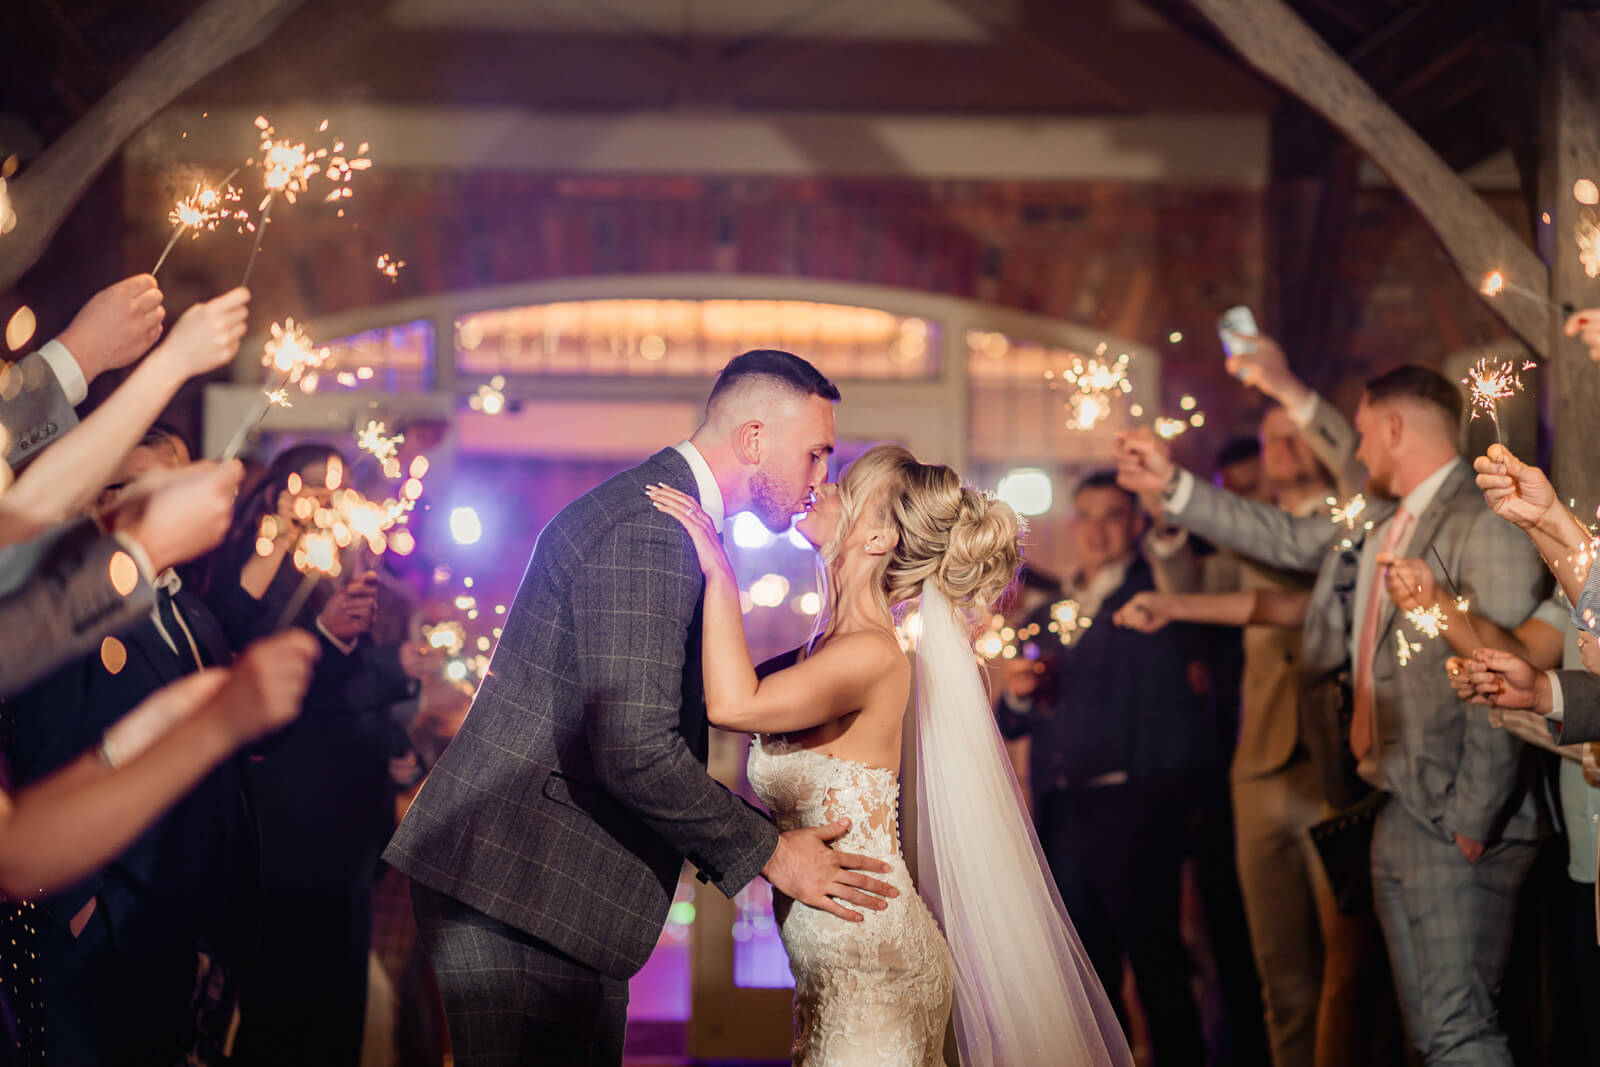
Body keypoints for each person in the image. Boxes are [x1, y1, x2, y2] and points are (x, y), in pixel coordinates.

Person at [384, 350, 897, 1065]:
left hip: (541, 884)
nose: (820, 478)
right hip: (524, 882)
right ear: (753, 439)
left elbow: (725, 696)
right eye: (814, 454)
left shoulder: (670, 518)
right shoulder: (649, 530)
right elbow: (633, 746)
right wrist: (775, 855)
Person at [1117, 364, 1547, 1066]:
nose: (1358, 448)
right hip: (1393, 803)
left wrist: (1473, 818)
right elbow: (1282, 541)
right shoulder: (1384, 520)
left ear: (1395, 427)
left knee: (1460, 1032)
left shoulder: (1481, 521)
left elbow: (1502, 673)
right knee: (1431, 1034)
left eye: (1366, 428)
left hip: (1455, 815)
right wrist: (1173, 486)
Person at [646, 444, 1131, 1065]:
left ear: (876, 537)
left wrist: (718, 570)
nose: (822, 486)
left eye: (846, 487)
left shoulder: (872, 655)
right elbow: (714, 685)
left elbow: (734, 706)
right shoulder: (821, 649)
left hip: (874, 971)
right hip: (838, 968)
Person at [0, 426, 270, 1066]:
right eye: (156, 487)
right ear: (108, 499)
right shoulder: (78, 617)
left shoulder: (192, 613)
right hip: (104, 916)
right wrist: (81, 909)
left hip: (177, 907)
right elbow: (47, 755)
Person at [191, 443, 416, 1067]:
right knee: (282, 1014)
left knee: (338, 1016)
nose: (323, 499)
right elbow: (238, 650)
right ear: (276, 493)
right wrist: (325, 634)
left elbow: (350, 692)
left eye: (333, 487)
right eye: (308, 485)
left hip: (349, 824)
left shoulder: (348, 558)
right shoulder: (259, 560)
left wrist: (398, 743)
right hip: (286, 823)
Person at [994, 470, 1212, 1065]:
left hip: (1136, 805)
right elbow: (1008, 723)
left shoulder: (1158, 595)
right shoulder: (1051, 609)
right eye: (1085, 515)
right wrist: (1017, 692)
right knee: (1086, 973)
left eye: (1111, 515)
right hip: (1062, 811)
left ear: (1136, 524)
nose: (1096, 529)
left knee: (1156, 962)